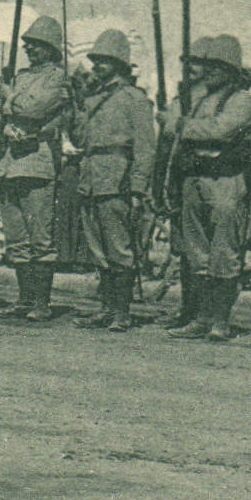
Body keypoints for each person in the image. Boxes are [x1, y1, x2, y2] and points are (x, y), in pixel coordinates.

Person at [164, 34, 251, 342]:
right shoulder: (199, 99)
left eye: (219, 67)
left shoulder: (242, 102)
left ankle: (221, 320)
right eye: (209, 66)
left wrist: (183, 126)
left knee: (224, 255)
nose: (211, 72)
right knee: (198, 254)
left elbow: (220, 131)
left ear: (233, 70)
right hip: (196, 178)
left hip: (225, 182)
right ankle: (202, 317)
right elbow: (170, 127)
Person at [71, 29, 156, 332]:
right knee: (98, 248)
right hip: (92, 177)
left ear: (120, 65)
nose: (97, 68)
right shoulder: (93, 100)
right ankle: (106, 308)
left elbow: (145, 148)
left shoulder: (135, 100)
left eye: (104, 62)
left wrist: (137, 188)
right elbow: (80, 139)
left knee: (119, 248)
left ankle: (122, 311)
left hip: (117, 179)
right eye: (95, 63)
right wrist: (78, 107)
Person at [0, 15, 70, 321]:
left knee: (40, 235)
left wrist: (9, 96)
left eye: (37, 46)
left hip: (38, 163)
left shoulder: (57, 78)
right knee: (16, 235)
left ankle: (41, 302)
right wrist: (12, 100)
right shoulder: (22, 78)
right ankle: (24, 299)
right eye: (27, 45)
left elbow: (32, 108)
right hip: (11, 163)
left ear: (51, 49)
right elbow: (9, 113)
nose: (30, 50)